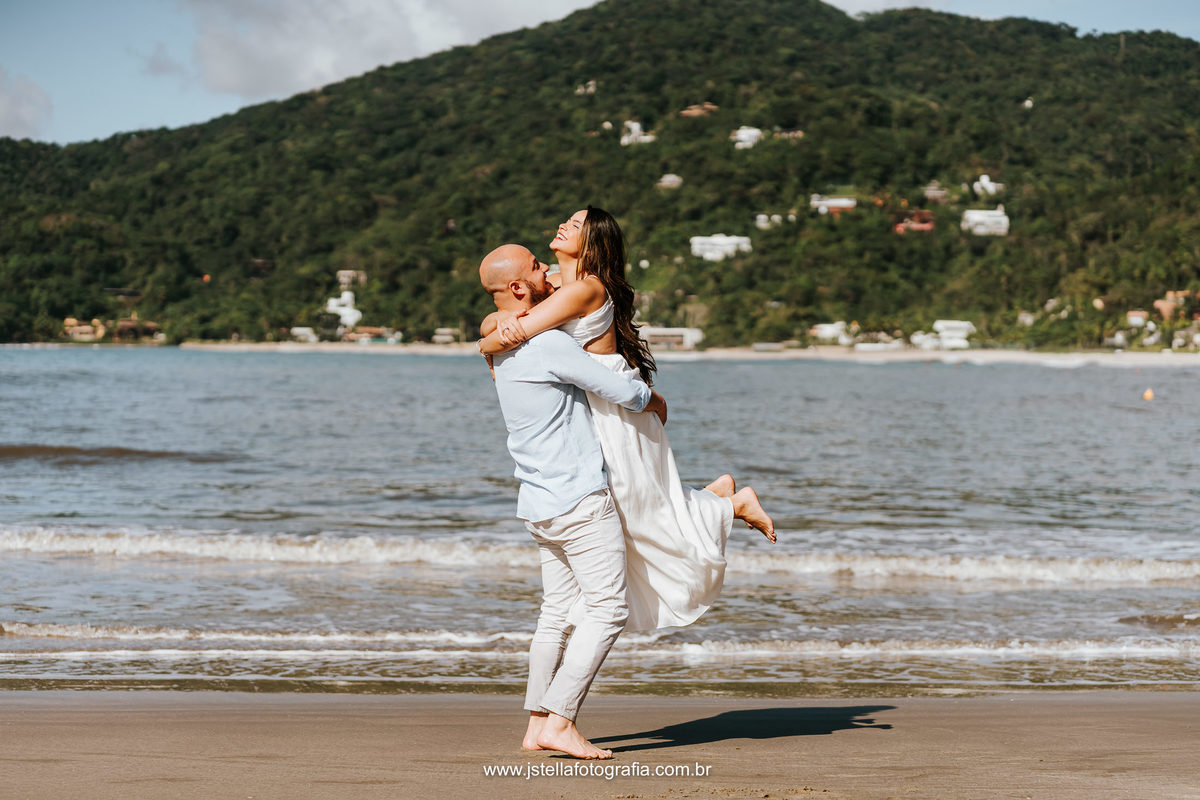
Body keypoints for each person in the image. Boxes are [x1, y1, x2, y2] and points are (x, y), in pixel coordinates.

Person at [479, 207, 774, 635]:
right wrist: (496, 320)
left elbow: (518, 332)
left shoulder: (583, 289)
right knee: (635, 503)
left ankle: (730, 505)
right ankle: (716, 499)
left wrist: (485, 342)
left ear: (591, 242)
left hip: (617, 403)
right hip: (596, 401)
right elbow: (511, 310)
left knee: (636, 509)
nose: (564, 225)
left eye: (576, 225)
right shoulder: (557, 285)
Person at [479, 243, 668, 760]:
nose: (547, 269)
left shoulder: (501, 346)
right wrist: (657, 400)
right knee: (607, 610)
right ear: (520, 289)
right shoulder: (545, 345)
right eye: (538, 269)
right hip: (579, 499)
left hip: (538, 502)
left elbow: (494, 326)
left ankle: (537, 724)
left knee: (557, 612)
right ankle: (561, 720)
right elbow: (620, 392)